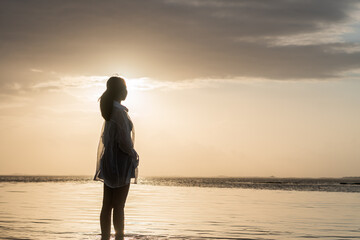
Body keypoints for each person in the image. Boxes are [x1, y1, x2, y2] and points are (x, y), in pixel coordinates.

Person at [93, 76, 139, 240]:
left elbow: (107, 139)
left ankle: (105, 237)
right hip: (120, 162)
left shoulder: (111, 112)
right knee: (119, 205)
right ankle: (119, 237)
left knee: (107, 204)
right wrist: (134, 155)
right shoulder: (119, 112)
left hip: (110, 162)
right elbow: (124, 141)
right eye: (125, 88)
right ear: (120, 91)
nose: (127, 91)